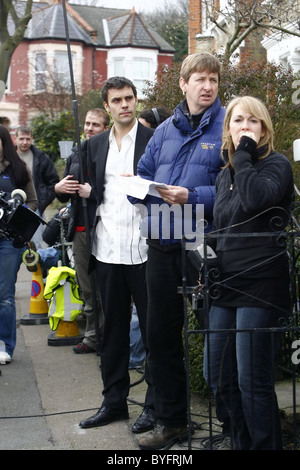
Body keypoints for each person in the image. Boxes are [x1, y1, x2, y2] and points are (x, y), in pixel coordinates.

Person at [129, 52, 225, 450]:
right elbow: (143, 176)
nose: (207, 86)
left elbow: (236, 190)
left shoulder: (228, 125)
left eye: (214, 80)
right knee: (161, 334)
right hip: (162, 242)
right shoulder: (165, 130)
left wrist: (191, 196)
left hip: (207, 243)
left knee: (218, 334)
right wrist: (140, 192)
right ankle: (172, 422)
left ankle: (232, 424)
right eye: (199, 79)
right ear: (182, 84)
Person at [204, 96, 294, 450]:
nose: (245, 127)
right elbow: (222, 225)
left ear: (264, 128)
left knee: (252, 380)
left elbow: (257, 200)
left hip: (261, 283)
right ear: (227, 128)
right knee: (218, 376)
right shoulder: (225, 174)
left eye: (252, 121)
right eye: (238, 120)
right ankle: (241, 441)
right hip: (226, 282)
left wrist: (242, 154)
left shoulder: (277, 165)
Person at [79, 77, 155, 433]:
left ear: (136, 101)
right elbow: (88, 189)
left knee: (155, 332)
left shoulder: (153, 140)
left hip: (145, 250)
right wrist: (71, 190)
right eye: (117, 100)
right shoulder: (93, 144)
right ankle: (114, 403)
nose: (125, 104)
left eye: (129, 98)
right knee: (111, 333)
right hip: (106, 249)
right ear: (107, 106)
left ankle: (155, 406)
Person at [54, 109, 110, 354]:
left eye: (95, 125)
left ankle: (109, 339)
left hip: (104, 227)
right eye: (87, 123)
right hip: (79, 228)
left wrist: (94, 193)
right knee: (86, 287)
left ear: (105, 128)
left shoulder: (110, 153)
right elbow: (63, 192)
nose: (89, 128)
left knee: (106, 288)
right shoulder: (76, 152)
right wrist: (59, 188)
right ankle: (92, 337)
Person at [0, 125, 38, 364]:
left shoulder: (17, 169)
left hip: (8, 242)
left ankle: (5, 346)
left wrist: (17, 215)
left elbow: (33, 201)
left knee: (4, 295)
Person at [15, 125, 59, 248]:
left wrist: (43, 200)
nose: (25, 142)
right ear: (15, 139)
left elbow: (53, 181)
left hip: (34, 205)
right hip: (12, 205)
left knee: (37, 244)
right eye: (21, 138)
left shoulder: (41, 157)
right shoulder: (9, 157)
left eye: (28, 139)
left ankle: (39, 266)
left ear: (32, 139)